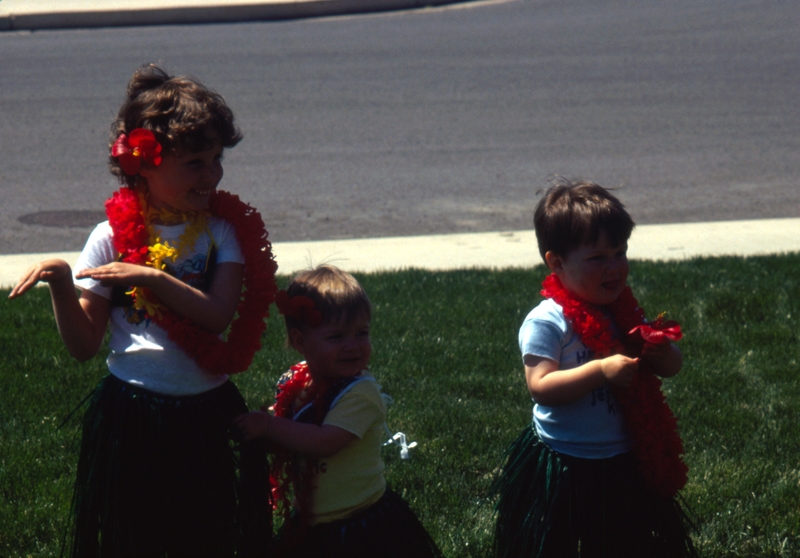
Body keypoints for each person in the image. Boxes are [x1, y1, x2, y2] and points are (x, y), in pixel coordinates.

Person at [9, 64, 277, 557]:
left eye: (218, 159)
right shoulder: (109, 237)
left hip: (205, 411)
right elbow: (84, 346)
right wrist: (63, 283)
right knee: (137, 536)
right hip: (133, 411)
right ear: (142, 164)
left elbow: (217, 316)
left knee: (205, 534)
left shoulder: (222, 233)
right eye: (195, 162)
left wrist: (152, 278)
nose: (212, 174)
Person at [491, 180, 697, 557]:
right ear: (556, 263)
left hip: (622, 459)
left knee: (620, 544)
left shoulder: (625, 313)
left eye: (620, 252)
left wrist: (662, 353)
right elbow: (541, 386)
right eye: (598, 257)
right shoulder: (547, 322)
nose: (614, 267)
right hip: (567, 462)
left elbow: (672, 369)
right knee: (558, 546)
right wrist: (600, 372)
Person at [234, 265, 443, 558]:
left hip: (360, 525)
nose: (353, 345)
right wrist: (259, 432)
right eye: (336, 337)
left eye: (362, 333)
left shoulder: (361, 393)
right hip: (310, 522)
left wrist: (268, 427)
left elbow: (324, 442)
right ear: (300, 342)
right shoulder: (299, 383)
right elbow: (290, 432)